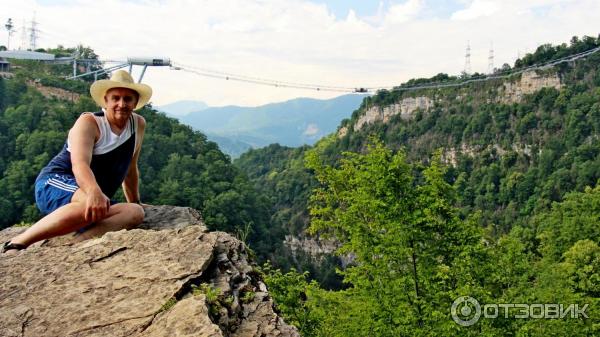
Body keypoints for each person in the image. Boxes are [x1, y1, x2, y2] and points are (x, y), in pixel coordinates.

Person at [2, 70, 151, 254]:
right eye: (116, 98)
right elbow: (79, 164)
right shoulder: (89, 122)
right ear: (106, 101)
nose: (122, 104)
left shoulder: (138, 124)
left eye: (128, 99)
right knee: (89, 202)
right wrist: (94, 192)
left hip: (93, 196)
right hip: (55, 182)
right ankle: (18, 242)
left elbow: (130, 168)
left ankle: (75, 246)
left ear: (135, 103)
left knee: (134, 213)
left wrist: (136, 201)